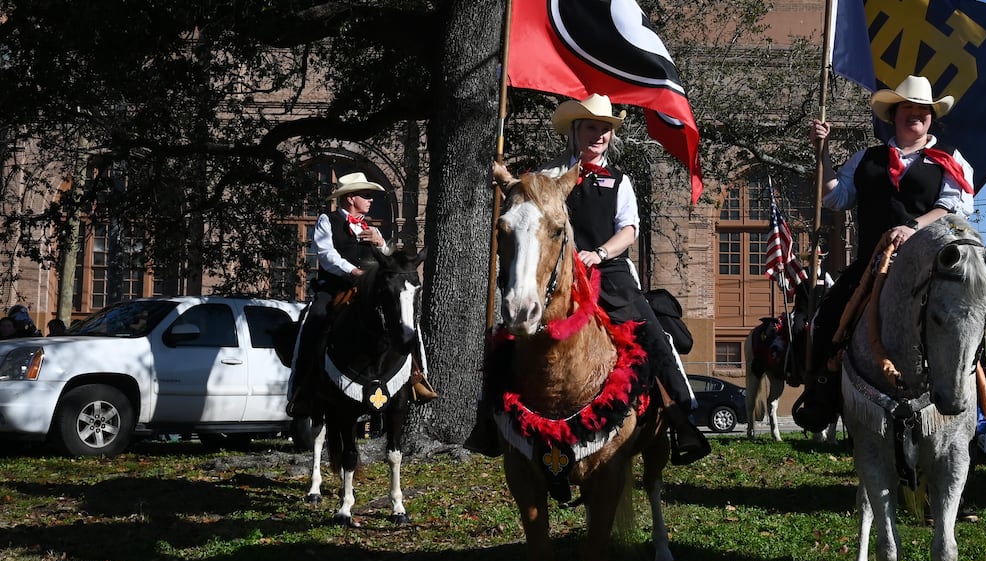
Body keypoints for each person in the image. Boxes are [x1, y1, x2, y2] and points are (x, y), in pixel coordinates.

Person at [474, 95, 710, 465]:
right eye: (591, 128)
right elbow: (525, 214)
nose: (598, 135)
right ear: (575, 132)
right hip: (553, 274)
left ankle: (681, 415)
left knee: (651, 333)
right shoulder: (547, 178)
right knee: (504, 337)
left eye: (604, 129)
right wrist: (504, 181)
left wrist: (598, 253)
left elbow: (629, 231)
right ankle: (486, 422)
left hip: (608, 271)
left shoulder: (620, 182)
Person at [792, 75, 986, 432]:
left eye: (922, 111)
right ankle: (821, 396)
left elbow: (953, 206)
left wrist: (911, 227)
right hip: (872, 264)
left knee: (983, 316)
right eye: (907, 110)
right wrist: (821, 151)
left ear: (931, 118)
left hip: (931, 267)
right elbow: (834, 196)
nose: (914, 115)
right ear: (893, 116)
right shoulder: (867, 158)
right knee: (825, 318)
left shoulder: (949, 158)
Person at [286, 171, 437, 416]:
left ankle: (418, 379)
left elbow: (390, 263)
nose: (371, 200)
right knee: (312, 320)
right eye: (366, 195)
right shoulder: (328, 220)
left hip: (371, 291)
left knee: (409, 319)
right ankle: (300, 388)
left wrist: (381, 244)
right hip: (337, 288)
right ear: (350, 198)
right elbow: (327, 255)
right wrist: (354, 271)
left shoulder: (370, 228)